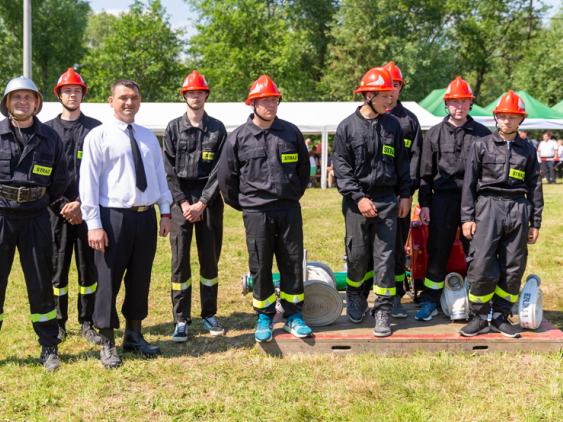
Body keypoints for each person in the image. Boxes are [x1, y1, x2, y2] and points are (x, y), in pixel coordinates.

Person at [0, 77, 68, 378]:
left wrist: (38, 200)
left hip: (37, 217)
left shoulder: (50, 137)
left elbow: (60, 178)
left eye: (28, 97)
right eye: (16, 97)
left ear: (37, 102)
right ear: (7, 103)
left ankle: (49, 346)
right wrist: (0, 201)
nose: (22, 102)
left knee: (40, 282)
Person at [81, 79, 173, 369]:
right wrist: (93, 223)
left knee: (140, 277)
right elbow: (89, 182)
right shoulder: (98, 136)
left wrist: (165, 210)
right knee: (108, 281)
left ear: (140, 100)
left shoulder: (148, 137)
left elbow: (159, 176)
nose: (128, 102)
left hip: (145, 216)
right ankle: (107, 342)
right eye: (122, 97)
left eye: (133, 97)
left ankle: (134, 335)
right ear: (111, 101)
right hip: (113, 217)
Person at [218, 75, 312, 343]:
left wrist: (292, 194)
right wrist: (248, 204)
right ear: (253, 103)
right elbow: (227, 180)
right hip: (256, 213)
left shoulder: (291, 132)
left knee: (292, 262)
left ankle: (293, 315)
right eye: (265, 100)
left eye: (275, 100)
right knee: (260, 264)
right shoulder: (238, 138)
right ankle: (264, 315)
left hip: (289, 210)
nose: (271, 104)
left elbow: (304, 170)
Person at [333, 66, 412, 337]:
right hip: (357, 204)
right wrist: (359, 198)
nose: (390, 99)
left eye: (391, 94)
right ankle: (355, 296)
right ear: (368, 95)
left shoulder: (393, 125)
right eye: (385, 95)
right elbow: (341, 169)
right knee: (357, 255)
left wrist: (406, 195)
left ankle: (383, 310)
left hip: (388, 201)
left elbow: (402, 164)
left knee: (385, 258)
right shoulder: (346, 127)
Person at [460, 91, 543, 338]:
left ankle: (500, 316)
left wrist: (534, 221)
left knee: (513, 264)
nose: (507, 121)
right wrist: (467, 218)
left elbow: (535, 186)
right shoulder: (481, 145)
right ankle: (479, 316)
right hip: (488, 208)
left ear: (521, 120)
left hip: (519, 209)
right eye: (503, 117)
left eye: (512, 117)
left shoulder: (528, 150)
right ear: (496, 117)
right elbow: (469, 184)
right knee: (482, 263)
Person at [416, 77, 491, 322]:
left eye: (464, 101)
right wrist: (425, 203)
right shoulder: (435, 134)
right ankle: (430, 299)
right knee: (437, 250)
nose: (459, 106)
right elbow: (425, 173)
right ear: (446, 104)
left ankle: (478, 301)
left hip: (475, 201)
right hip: (442, 201)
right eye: (454, 101)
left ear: (471, 104)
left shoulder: (483, 134)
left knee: (477, 251)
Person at [163, 70, 228, 343]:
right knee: (180, 262)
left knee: (209, 259)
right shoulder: (173, 128)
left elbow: (220, 170)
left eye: (200, 92)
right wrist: (183, 202)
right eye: (190, 92)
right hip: (181, 200)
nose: (195, 96)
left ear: (206, 95)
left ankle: (209, 314)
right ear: (184, 96)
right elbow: (167, 169)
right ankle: (181, 319)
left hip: (209, 201)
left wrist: (202, 203)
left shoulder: (217, 128)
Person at [45, 68, 104, 345]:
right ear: (59, 94)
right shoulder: (46, 130)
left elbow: (103, 171)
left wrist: (82, 204)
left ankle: (87, 322)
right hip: (55, 212)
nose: (72, 94)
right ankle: (58, 323)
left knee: (87, 268)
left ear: (83, 94)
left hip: (88, 211)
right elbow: (41, 174)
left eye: (77, 90)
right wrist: (64, 205)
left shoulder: (96, 128)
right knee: (57, 269)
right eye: (67, 90)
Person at [383, 61, 422, 318]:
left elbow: (417, 160)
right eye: (388, 84)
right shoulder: (367, 119)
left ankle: (397, 294)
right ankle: (366, 295)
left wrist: (406, 193)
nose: (392, 90)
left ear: (401, 88)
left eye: (396, 85)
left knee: (397, 247)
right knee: (368, 248)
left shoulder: (409, 121)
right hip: (373, 197)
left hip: (400, 198)